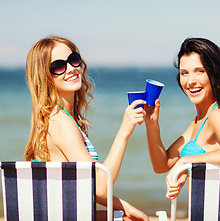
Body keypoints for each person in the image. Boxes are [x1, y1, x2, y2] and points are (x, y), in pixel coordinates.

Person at [24, 36, 149, 221]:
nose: (71, 69)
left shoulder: (51, 117)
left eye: (73, 60)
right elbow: (99, 186)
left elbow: (88, 188)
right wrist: (124, 131)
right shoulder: (61, 123)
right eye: (58, 66)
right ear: (45, 76)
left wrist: (125, 207)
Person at [144, 37, 220, 200]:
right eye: (184, 73)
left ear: (214, 73)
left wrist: (185, 162)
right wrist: (152, 124)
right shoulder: (199, 121)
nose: (191, 81)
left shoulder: (218, 115)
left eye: (200, 71)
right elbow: (162, 164)